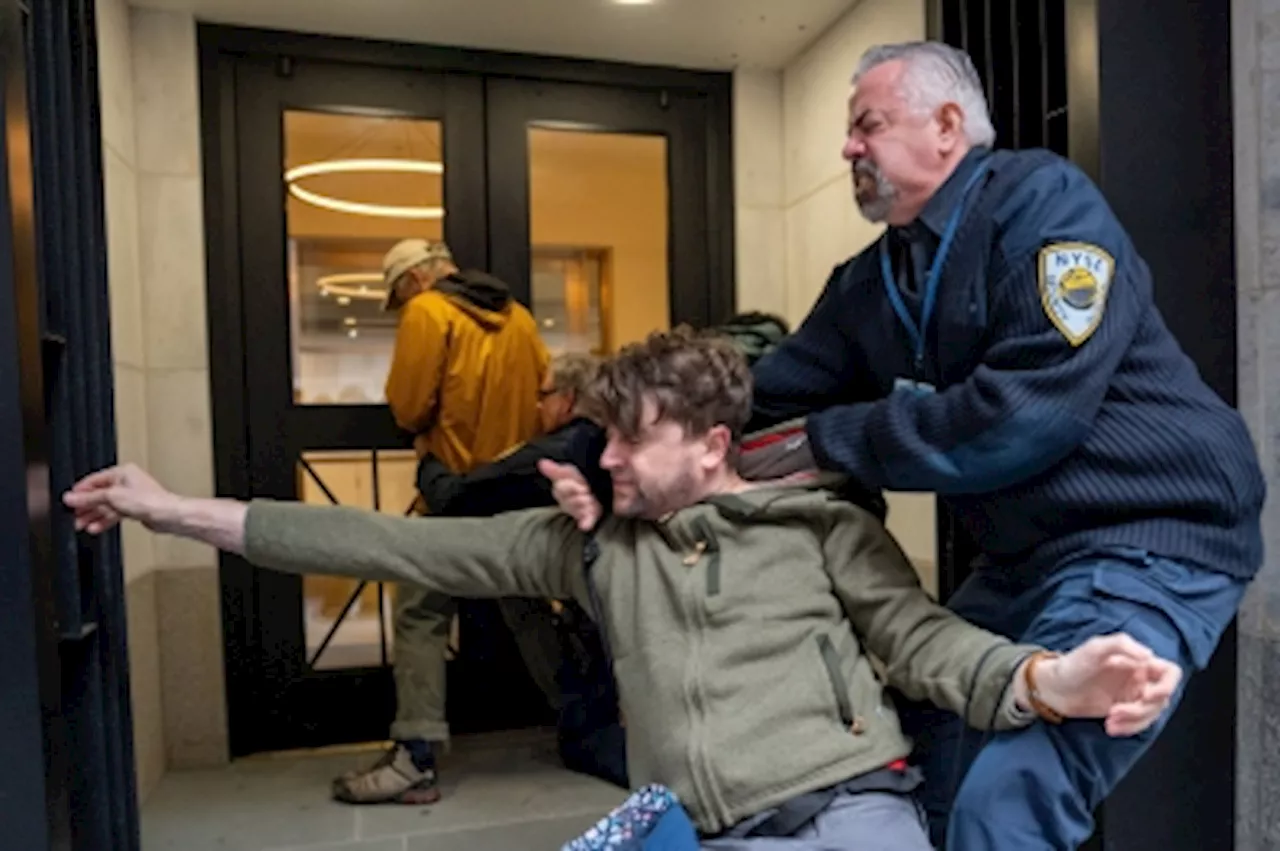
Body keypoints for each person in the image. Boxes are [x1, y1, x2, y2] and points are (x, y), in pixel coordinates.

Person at [66, 329, 1183, 850]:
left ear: (708, 443)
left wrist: (1051, 677)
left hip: (844, 812)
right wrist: (173, 509)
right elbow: (385, 546)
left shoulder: (822, 528)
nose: (601, 459)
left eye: (624, 438)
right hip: (688, 829)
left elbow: (928, 645)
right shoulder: (590, 549)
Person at [735, 41, 1265, 849]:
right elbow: (767, 393)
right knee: (912, 754)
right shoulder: (873, 281)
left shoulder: (1044, 206)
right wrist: (631, 430)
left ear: (948, 126)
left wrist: (834, 438)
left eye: (867, 125)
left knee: (1005, 801)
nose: (848, 147)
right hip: (1023, 562)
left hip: (1152, 537)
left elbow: (1021, 417)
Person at [349, 237, 550, 805]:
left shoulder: (427, 311)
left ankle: (415, 757)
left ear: (412, 280)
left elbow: (409, 406)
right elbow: (542, 399)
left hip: (453, 492)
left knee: (419, 612)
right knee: (529, 605)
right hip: (514, 494)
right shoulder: (521, 319)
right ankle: (584, 721)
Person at [416, 351, 626, 788]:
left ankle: (580, 723)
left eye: (543, 395)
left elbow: (457, 497)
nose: (536, 405)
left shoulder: (555, 452)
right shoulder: (608, 444)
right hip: (605, 613)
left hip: (587, 616)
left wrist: (426, 461)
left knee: (507, 595)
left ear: (567, 400)